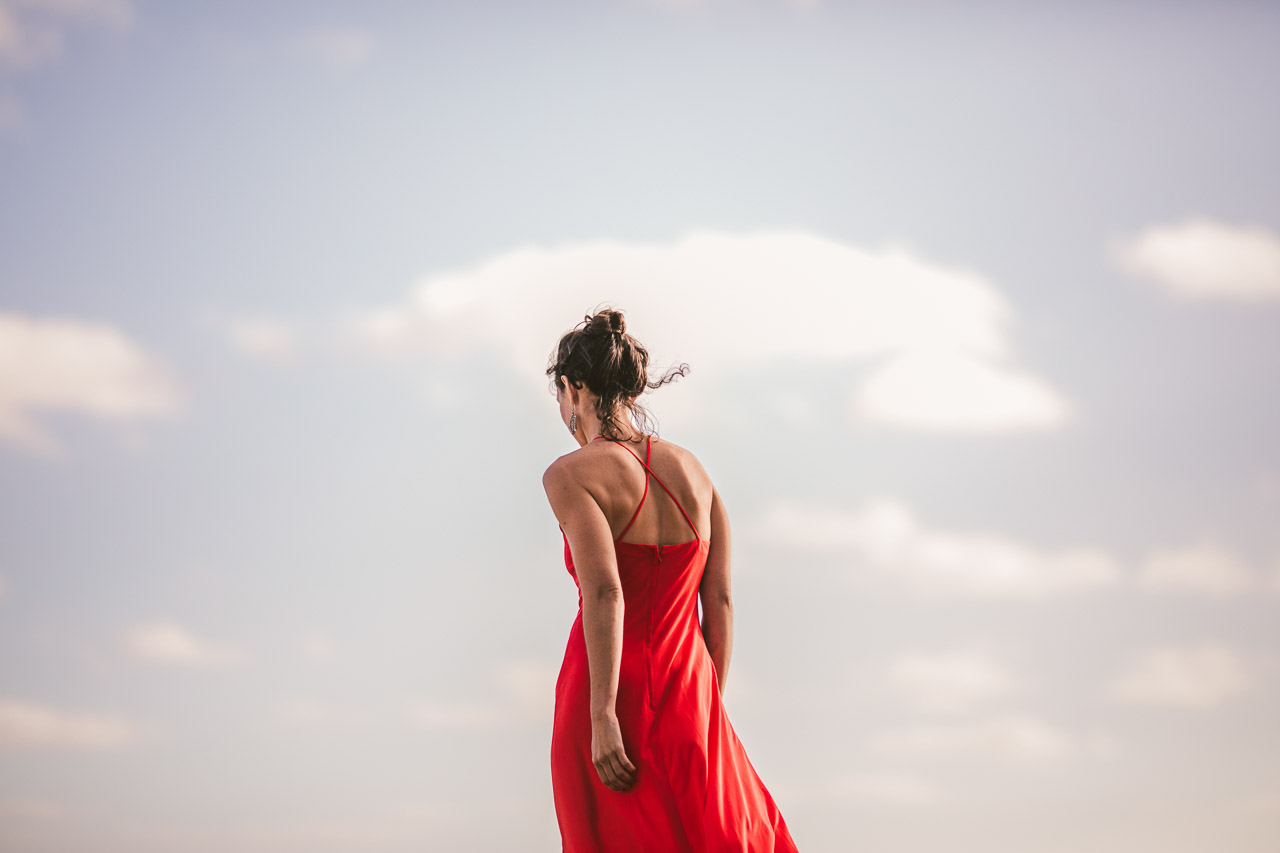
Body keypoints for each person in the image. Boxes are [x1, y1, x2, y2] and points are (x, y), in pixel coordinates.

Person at [543, 307, 800, 852]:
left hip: (606, 694)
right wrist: (707, 704)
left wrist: (604, 715)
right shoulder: (696, 473)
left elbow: (606, 591)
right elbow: (721, 599)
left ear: (574, 387)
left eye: (560, 397)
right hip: (692, 694)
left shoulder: (571, 473)